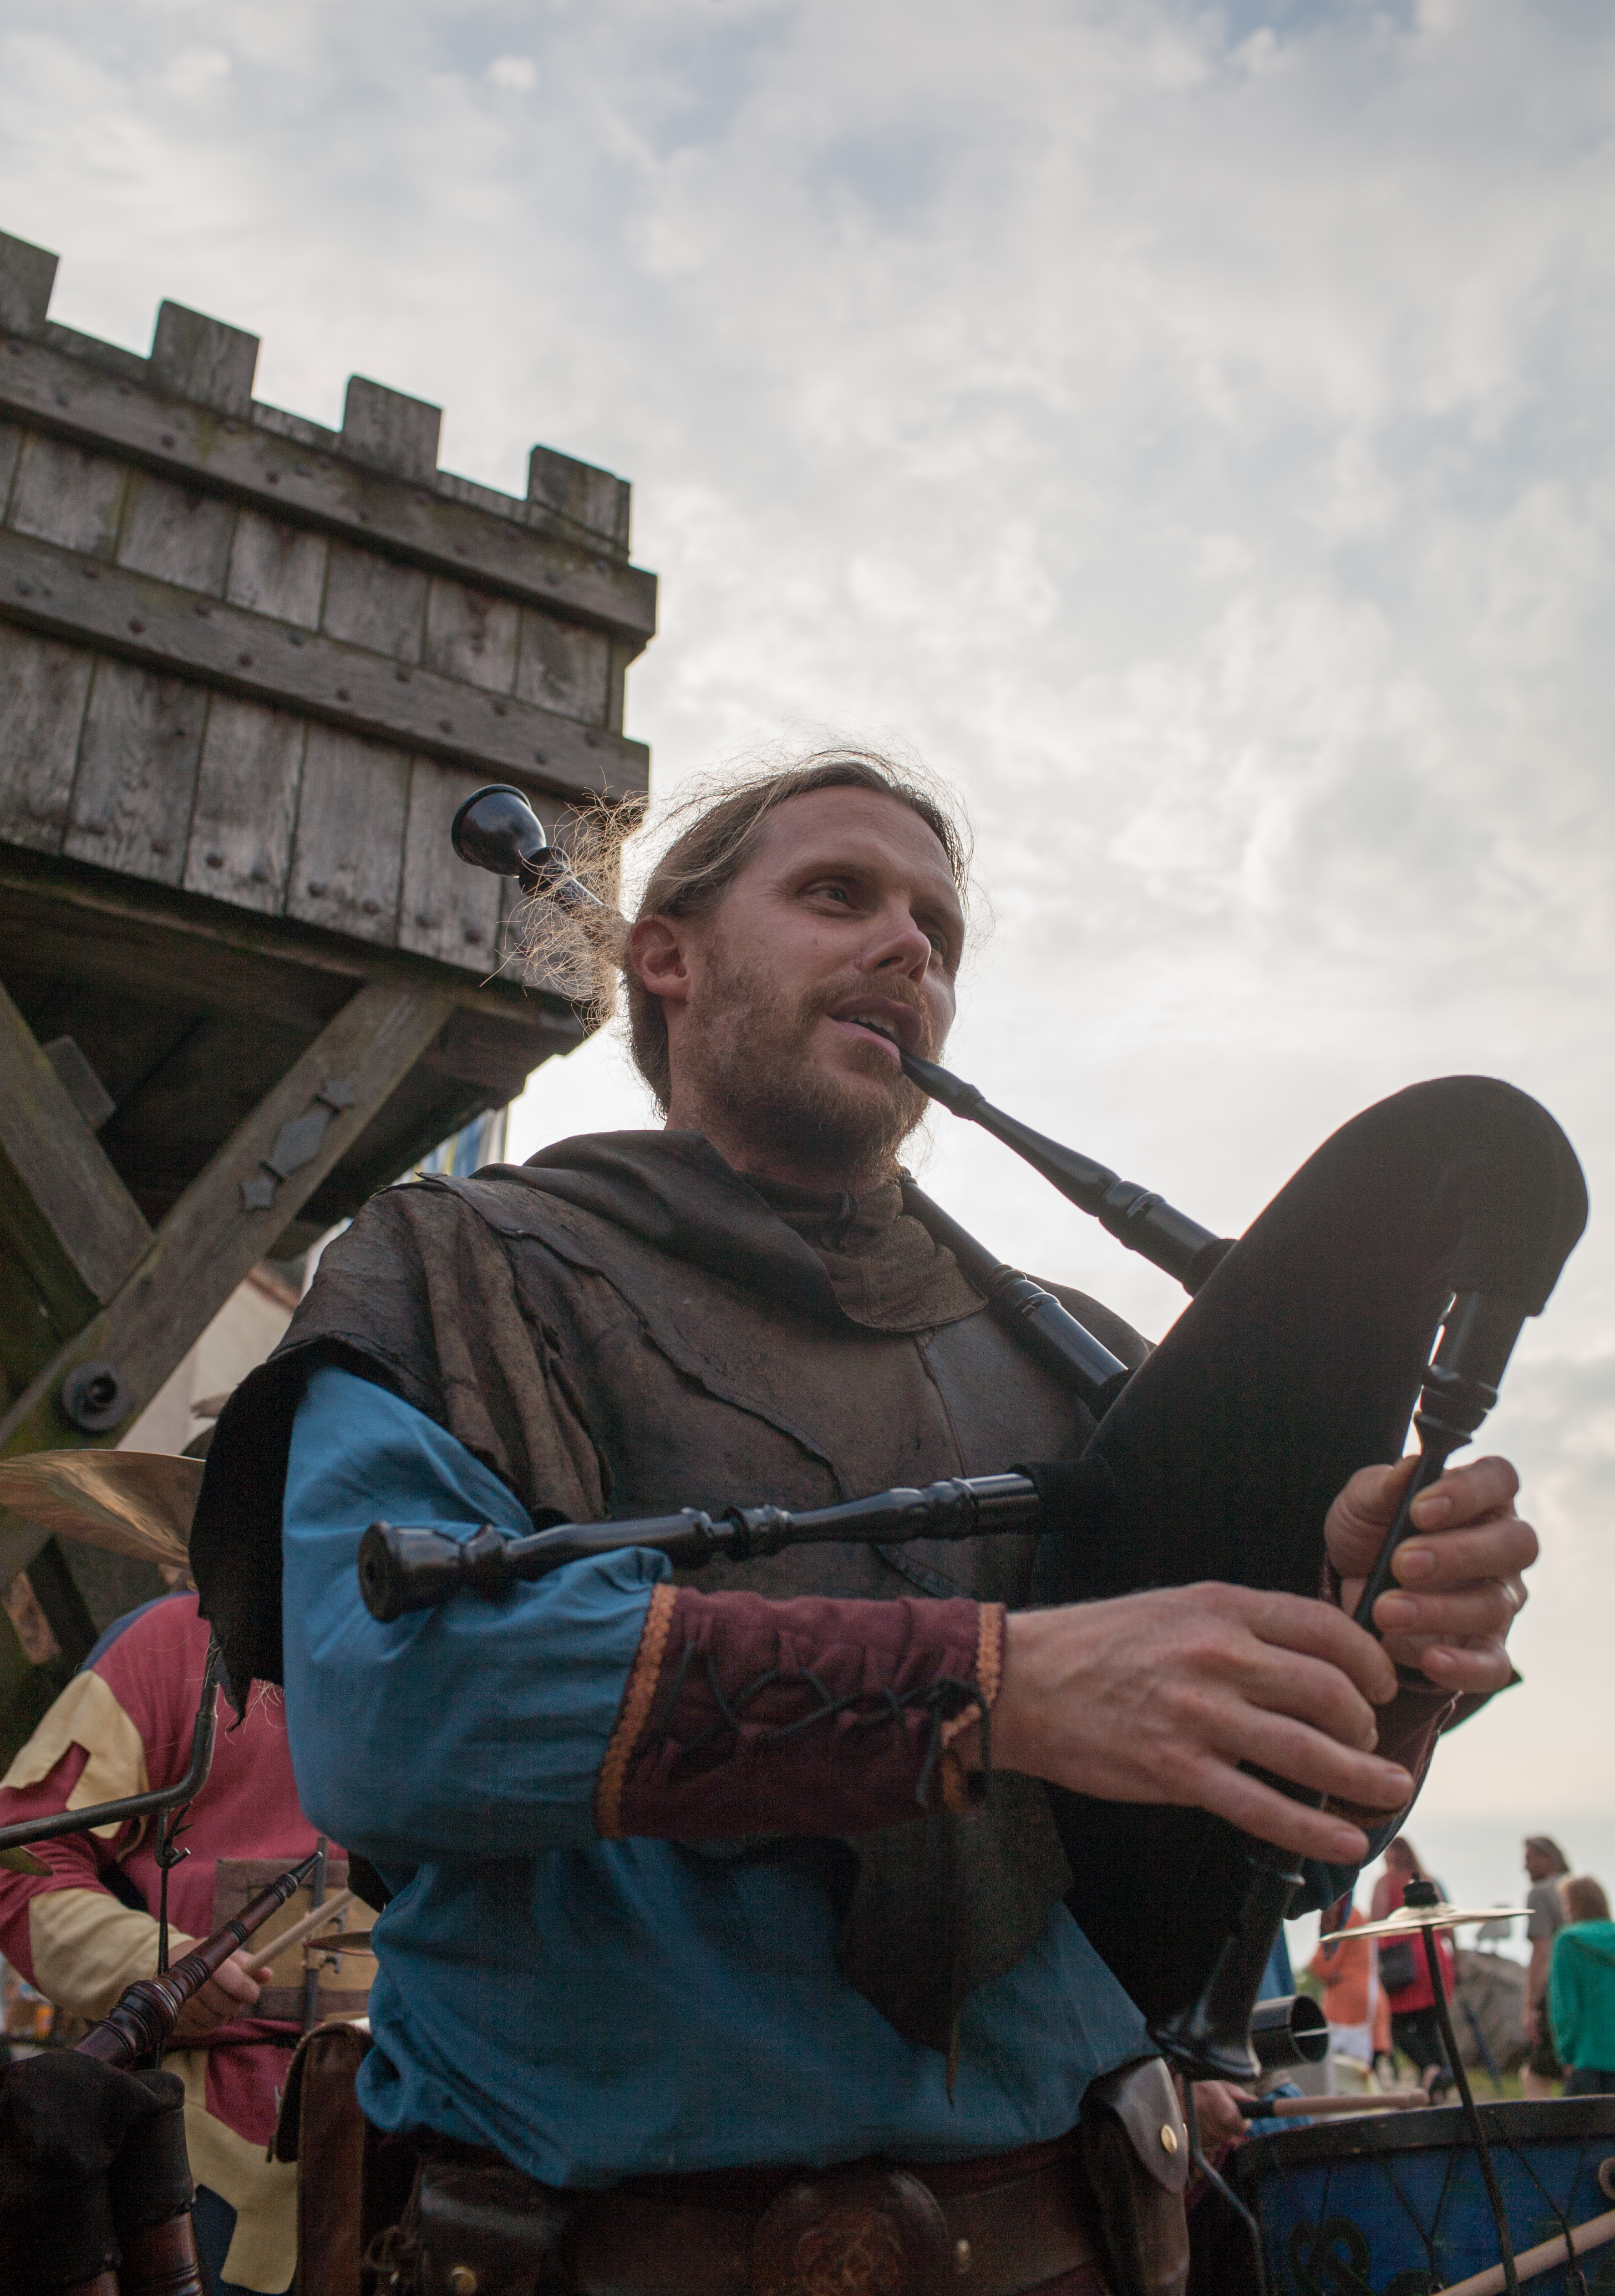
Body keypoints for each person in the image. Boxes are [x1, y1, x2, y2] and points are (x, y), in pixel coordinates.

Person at [193, 750, 1537, 2296]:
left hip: (1074, 2248)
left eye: (937, 933)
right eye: (838, 894)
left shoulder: (1078, 1361)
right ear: (667, 956)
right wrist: (997, 1688)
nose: (907, 946)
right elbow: (390, 1715)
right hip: (593, 2258)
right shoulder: (459, 1269)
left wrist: (1378, 1656)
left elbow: (1254, 1865)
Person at [0, 1591, 373, 2296]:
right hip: (213, 2156)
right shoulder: (168, 1643)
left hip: (438, 2139)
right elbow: (20, 1861)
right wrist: (155, 1963)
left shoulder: (477, 1652)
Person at [1372, 1836, 1457, 2093]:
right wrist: (1457, 1960)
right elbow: (1447, 1925)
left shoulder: (1386, 1882)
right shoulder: (1427, 1881)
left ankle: (1429, 2069)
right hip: (1434, 1956)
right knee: (1430, 2024)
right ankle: (1438, 2078)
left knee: (1397, 2024)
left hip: (1403, 1959)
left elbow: (1377, 1920)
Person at [1547, 1877, 1615, 2096]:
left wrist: (1566, 2055)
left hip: (1590, 2059)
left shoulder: (1568, 1941)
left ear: (1575, 1906)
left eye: (1566, 1903)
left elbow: (1565, 2008)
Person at [1308, 1896, 1380, 2076]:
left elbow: (1324, 1966)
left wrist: (1321, 1968)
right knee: (1359, 2072)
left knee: (1339, 2073)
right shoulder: (1359, 1915)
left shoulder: (1345, 1916)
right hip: (1368, 2000)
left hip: (1345, 2003)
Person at [1522, 1834, 1570, 2097]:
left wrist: (1531, 2005)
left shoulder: (1540, 1893)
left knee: (1537, 2073)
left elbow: (1542, 1950)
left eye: (1529, 1859)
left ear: (1547, 1858)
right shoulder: (1577, 1887)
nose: (1525, 1867)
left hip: (1556, 1988)